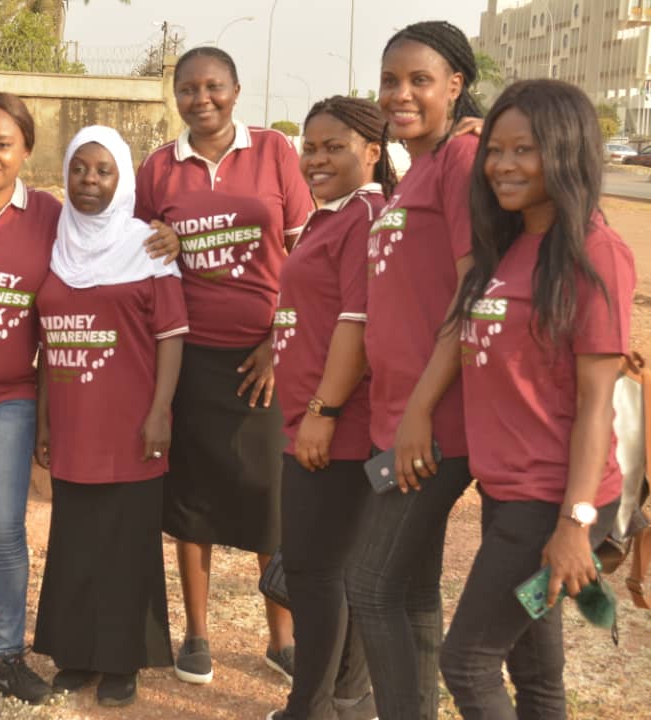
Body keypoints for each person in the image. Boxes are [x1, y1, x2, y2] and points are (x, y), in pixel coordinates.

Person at [0, 92, 179, 704]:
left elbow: (167, 324)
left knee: (5, 532)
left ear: (27, 153)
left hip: (29, 404)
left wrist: (167, 234)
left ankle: (13, 654)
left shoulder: (69, 222)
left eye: (4, 143)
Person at [439, 79, 633, 719]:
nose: (502, 165)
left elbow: (596, 404)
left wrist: (575, 526)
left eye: (525, 150)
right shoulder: (510, 245)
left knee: (466, 661)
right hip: (507, 497)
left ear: (567, 152)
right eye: (495, 149)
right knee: (536, 670)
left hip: (552, 506)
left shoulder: (594, 253)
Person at [134, 45, 314, 685]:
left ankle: (281, 638)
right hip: (189, 356)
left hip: (264, 356)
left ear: (237, 90)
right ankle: (197, 636)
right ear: (175, 95)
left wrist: (277, 341)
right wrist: (162, 240)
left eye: (213, 87)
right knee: (194, 500)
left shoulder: (274, 153)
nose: (200, 99)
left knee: (270, 498)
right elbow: (141, 256)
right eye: (187, 89)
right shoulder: (159, 167)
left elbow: (305, 255)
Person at [343, 20, 481, 720]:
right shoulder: (416, 170)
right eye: (391, 79)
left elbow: (471, 290)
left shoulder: (461, 159)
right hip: (395, 415)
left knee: (369, 585)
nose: (400, 94)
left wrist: (421, 413)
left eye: (419, 80)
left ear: (455, 85)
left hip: (434, 422)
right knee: (413, 587)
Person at [32, 125, 187, 707]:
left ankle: (122, 660)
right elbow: (47, 343)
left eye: (103, 171)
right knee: (74, 541)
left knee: (127, 544)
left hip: (131, 421)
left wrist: (160, 412)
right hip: (73, 420)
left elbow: (171, 336)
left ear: (122, 180)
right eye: (79, 169)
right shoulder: (55, 242)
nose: (89, 182)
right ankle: (76, 653)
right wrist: (45, 422)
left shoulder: (146, 245)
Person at [266, 97, 398, 720]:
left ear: (371, 151)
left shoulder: (366, 216)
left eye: (333, 147)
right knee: (329, 574)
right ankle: (345, 700)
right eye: (309, 147)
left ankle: (309, 708)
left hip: (337, 430)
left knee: (317, 576)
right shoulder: (331, 217)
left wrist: (323, 409)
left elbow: (359, 320)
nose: (315, 159)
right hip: (311, 421)